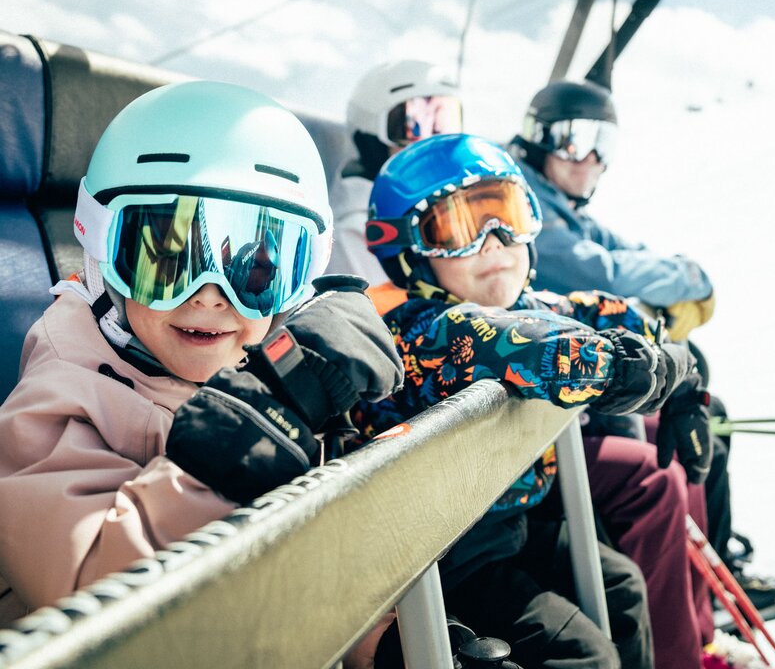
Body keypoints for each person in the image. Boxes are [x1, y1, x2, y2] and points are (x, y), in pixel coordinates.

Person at [0, 81, 403, 626]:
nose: (210, 295)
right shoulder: (62, 398)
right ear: (99, 247)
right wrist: (245, 432)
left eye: (256, 270)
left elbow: (306, 566)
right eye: (167, 261)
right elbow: (89, 586)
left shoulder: (283, 376)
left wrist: (382, 643)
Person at [353, 133, 713, 669]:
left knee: (622, 591)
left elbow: (611, 315)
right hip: (436, 560)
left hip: (510, 528)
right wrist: (624, 369)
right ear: (410, 256)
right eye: (459, 228)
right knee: (579, 656)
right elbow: (514, 343)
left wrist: (681, 376)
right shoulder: (418, 333)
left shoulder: (534, 303)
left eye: (506, 216)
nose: (493, 242)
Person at [509, 78, 775, 608]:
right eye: (575, 140)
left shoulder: (562, 200)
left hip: (586, 403)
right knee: (659, 464)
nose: (590, 159)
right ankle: (691, 598)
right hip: (557, 410)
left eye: (602, 145)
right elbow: (597, 269)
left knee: (703, 423)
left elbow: (621, 249)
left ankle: (708, 579)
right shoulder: (520, 199)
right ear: (539, 136)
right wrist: (688, 281)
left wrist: (683, 271)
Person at [326, 59, 463, 289]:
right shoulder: (355, 232)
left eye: (443, 122)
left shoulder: (436, 207)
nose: (431, 144)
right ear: (373, 142)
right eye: (413, 125)